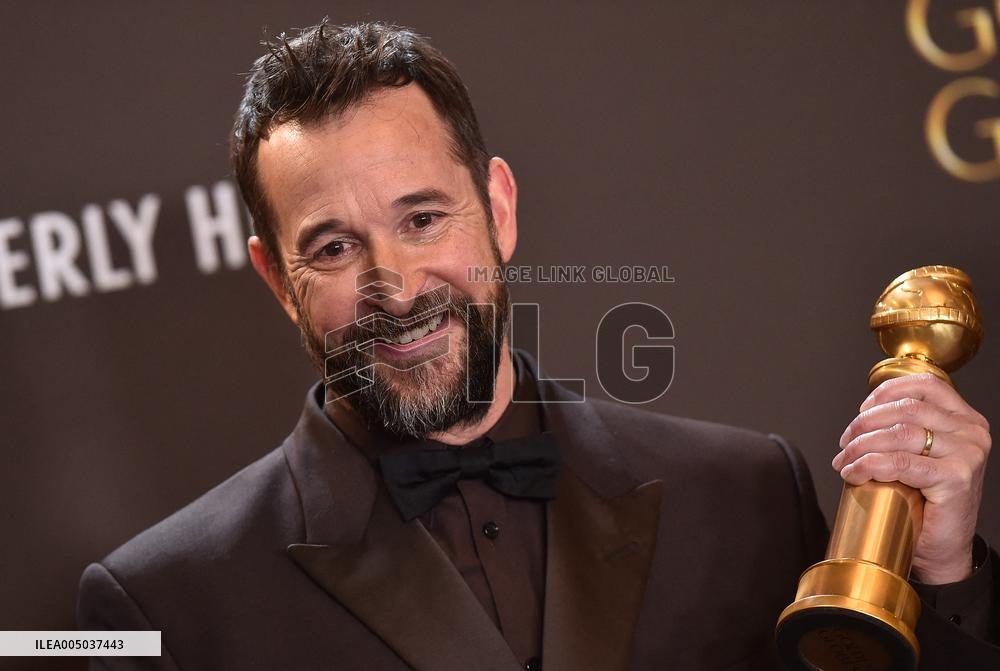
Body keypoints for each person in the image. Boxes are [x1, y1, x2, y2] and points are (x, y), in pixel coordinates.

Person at [77, 19, 999, 670]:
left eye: (424, 217)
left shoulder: (748, 493)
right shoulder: (170, 608)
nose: (395, 285)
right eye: (332, 246)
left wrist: (945, 575)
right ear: (279, 281)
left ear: (500, 210)